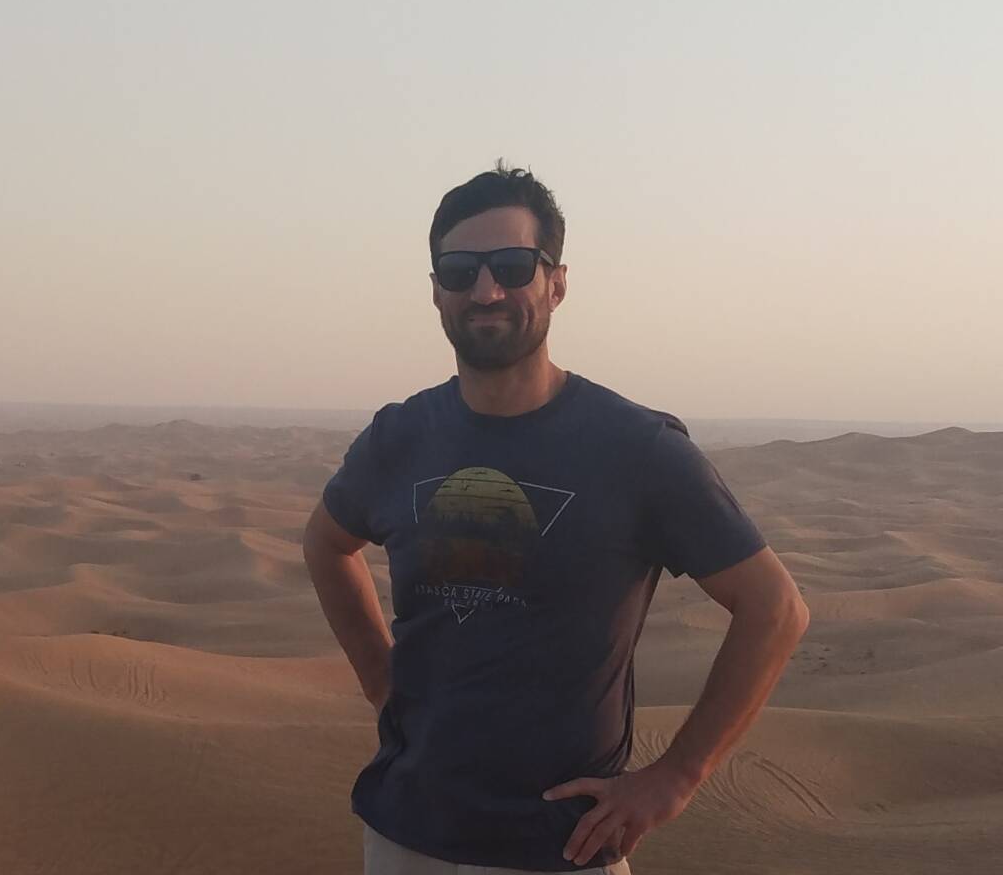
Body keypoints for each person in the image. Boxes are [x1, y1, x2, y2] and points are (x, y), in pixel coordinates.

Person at [303, 161, 810, 874]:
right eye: (460, 270)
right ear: (436, 292)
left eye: (512, 265)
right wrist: (381, 684)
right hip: (404, 835)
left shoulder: (637, 448)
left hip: (561, 849)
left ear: (557, 282)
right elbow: (326, 546)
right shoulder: (400, 437)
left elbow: (776, 609)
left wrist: (677, 777)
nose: (487, 289)